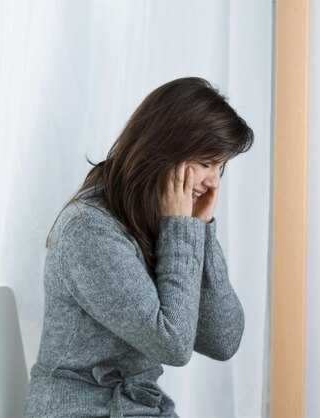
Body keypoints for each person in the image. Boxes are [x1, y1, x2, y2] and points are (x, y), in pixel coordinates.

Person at [25, 77, 253, 417]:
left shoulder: (161, 220)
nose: (214, 182)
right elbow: (173, 345)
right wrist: (182, 232)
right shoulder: (90, 230)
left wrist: (202, 231)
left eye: (221, 167)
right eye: (206, 163)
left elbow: (223, 340)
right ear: (165, 151)